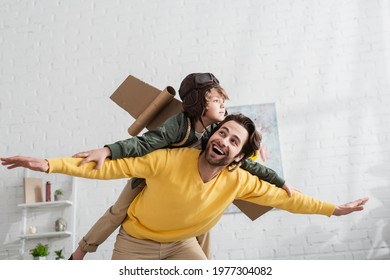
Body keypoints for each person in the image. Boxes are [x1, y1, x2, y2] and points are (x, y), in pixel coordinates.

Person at [1, 114, 369, 260]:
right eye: (222, 132)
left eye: (234, 140)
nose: (224, 139)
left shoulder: (238, 180)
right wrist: (50, 164)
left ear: (239, 156)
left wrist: (334, 209)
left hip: (182, 245)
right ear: (212, 136)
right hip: (135, 243)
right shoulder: (168, 159)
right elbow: (111, 166)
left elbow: (290, 200)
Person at [66, 73, 294, 260]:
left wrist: (279, 181)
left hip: (183, 189)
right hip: (150, 177)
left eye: (223, 102)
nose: (223, 106)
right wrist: (107, 151)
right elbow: (144, 143)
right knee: (118, 210)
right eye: (217, 101)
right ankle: (80, 252)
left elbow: (246, 165)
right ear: (200, 103)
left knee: (203, 222)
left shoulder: (209, 136)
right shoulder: (178, 125)